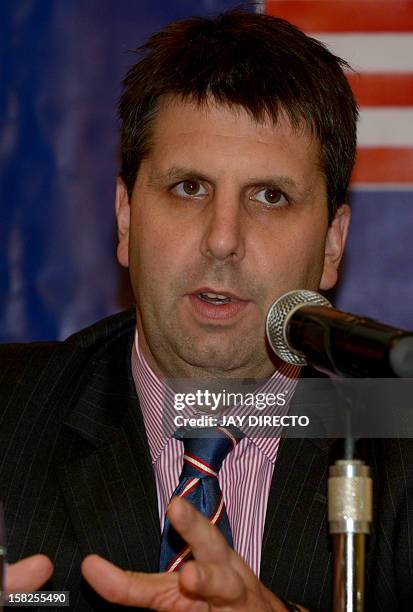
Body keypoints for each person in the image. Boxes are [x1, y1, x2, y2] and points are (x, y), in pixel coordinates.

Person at [1, 8, 412, 611]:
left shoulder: (396, 438)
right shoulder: (9, 418)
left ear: (331, 245)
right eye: (189, 188)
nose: (223, 239)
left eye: (270, 197)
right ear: (125, 217)